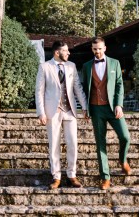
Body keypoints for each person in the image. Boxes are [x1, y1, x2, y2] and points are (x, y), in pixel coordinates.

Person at [35, 40, 87, 189]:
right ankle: (56, 176)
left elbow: (77, 87)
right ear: (57, 52)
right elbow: (39, 91)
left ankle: (72, 174)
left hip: (70, 110)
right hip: (52, 111)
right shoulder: (44, 67)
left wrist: (84, 107)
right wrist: (41, 113)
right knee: (54, 145)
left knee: (72, 144)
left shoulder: (71, 66)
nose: (69, 53)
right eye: (66, 51)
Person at [82, 36, 131, 190]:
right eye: (95, 49)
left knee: (125, 137)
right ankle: (105, 177)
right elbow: (85, 89)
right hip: (96, 109)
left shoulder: (115, 63)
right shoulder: (87, 66)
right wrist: (85, 109)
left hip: (112, 108)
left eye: (100, 48)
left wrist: (119, 105)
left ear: (105, 48)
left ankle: (122, 161)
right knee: (100, 144)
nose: (97, 51)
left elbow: (119, 85)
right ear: (92, 49)